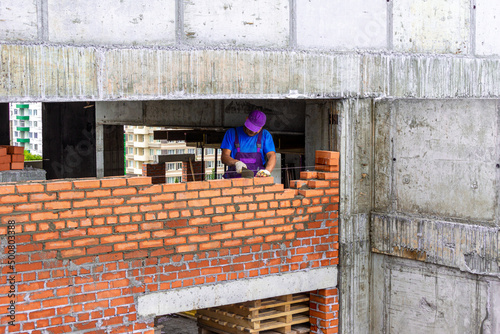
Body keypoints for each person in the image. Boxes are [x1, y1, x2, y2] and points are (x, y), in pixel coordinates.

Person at [221, 110, 276, 178]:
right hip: (234, 182)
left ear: (261, 127)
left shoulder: (265, 135)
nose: (252, 131)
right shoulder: (231, 133)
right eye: (251, 127)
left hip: (257, 181)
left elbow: (272, 155)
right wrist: (236, 163)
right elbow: (224, 157)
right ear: (246, 119)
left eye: (255, 129)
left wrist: (267, 171)